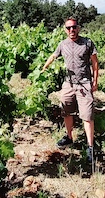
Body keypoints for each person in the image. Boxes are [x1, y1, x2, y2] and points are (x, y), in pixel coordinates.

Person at [42, 17, 99, 163]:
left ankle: (90, 147)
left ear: (78, 28)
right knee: (66, 110)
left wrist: (95, 81)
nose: (71, 30)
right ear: (65, 30)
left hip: (84, 83)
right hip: (69, 83)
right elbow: (54, 56)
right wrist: (44, 68)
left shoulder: (87, 43)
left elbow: (95, 62)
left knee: (87, 115)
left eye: (74, 27)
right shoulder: (62, 44)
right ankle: (69, 137)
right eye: (68, 28)